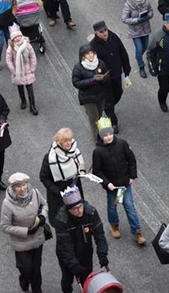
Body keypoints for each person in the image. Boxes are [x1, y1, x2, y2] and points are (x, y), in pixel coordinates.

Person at [92, 117, 146, 245]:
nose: (109, 137)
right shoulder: (98, 152)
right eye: (105, 135)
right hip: (112, 187)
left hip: (125, 184)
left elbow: (131, 160)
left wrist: (132, 176)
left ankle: (137, 232)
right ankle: (114, 225)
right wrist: (107, 183)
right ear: (100, 136)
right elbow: (97, 171)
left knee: (130, 206)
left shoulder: (122, 144)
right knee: (112, 207)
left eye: (110, 133)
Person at [0, 172, 49, 293]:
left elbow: (45, 205)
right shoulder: (7, 204)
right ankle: (24, 280)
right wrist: (26, 231)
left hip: (37, 238)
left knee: (36, 269)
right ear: (12, 188)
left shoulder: (35, 193)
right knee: (27, 269)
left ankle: (37, 290)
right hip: (21, 242)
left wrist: (43, 216)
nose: (22, 189)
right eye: (18, 186)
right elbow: (5, 226)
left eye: (24, 185)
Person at [54, 186, 109, 292]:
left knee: (87, 278)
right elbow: (65, 246)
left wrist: (102, 253)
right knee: (67, 279)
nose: (79, 210)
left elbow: (99, 234)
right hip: (66, 256)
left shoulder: (91, 212)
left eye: (80, 206)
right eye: (75, 209)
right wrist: (73, 265)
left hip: (85, 252)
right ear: (68, 209)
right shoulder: (61, 220)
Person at [90, 21, 131, 133]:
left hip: (117, 74)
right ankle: (113, 121)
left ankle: (108, 108)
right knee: (109, 99)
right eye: (101, 32)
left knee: (118, 93)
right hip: (105, 78)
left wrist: (126, 68)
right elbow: (93, 64)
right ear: (96, 33)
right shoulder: (93, 46)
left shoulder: (114, 38)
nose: (104, 33)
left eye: (105, 30)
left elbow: (122, 52)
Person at [39, 127, 85, 225]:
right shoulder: (50, 158)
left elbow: (79, 168)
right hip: (58, 194)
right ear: (59, 142)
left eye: (70, 140)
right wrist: (57, 191)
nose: (69, 143)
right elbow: (44, 177)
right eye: (65, 141)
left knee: (78, 216)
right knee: (62, 221)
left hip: (74, 189)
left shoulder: (75, 152)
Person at [71, 44, 110, 130]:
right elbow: (76, 82)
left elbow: (106, 74)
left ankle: (100, 134)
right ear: (83, 56)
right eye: (87, 53)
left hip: (100, 95)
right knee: (94, 119)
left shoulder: (100, 63)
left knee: (99, 116)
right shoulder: (78, 67)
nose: (90, 55)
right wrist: (90, 81)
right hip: (88, 97)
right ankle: (97, 138)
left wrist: (104, 79)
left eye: (91, 52)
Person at [121, 0, 153, 78]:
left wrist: (148, 16)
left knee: (144, 47)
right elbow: (124, 19)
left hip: (145, 29)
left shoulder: (145, 1)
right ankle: (141, 66)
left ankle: (138, 57)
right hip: (135, 31)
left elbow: (151, 11)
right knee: (139, 48)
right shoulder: (128, 5)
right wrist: (137, 20)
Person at [5, 25, 38, 115]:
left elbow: (32, 56)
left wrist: (32, 68)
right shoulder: (11, 48)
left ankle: (32, 105)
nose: (17, 38)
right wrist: (14, 71)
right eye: (15, 37)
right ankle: (23, 100)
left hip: (28, 71)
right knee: (20, 88)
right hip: (18, 72)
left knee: (30, 90)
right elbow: (8, 60)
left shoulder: (27, 45)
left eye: (18, 36)